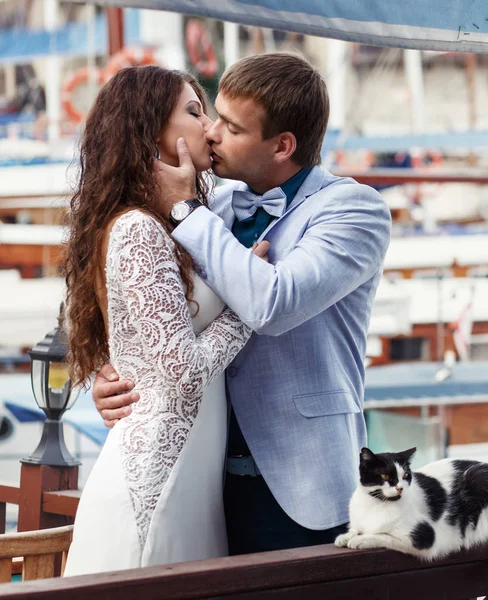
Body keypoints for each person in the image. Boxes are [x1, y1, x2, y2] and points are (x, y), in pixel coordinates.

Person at [93, 52, 392, 555]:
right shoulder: (217, 207)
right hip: (203, 482)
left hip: (304, 485)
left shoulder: (353, 210)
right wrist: (111, 373)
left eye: (230, 127)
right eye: (210, 116)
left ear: (283, 145)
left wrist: (186, 209)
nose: (210, 133)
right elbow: (138, 299)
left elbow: (272, 306)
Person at [62, 66, 256, 575]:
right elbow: (181, 370)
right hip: (157, 480)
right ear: (150, 133)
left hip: (192, 477)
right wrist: (249, 303)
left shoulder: (185, 220)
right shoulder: (137, 230)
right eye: (194, 112)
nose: (209, 126)